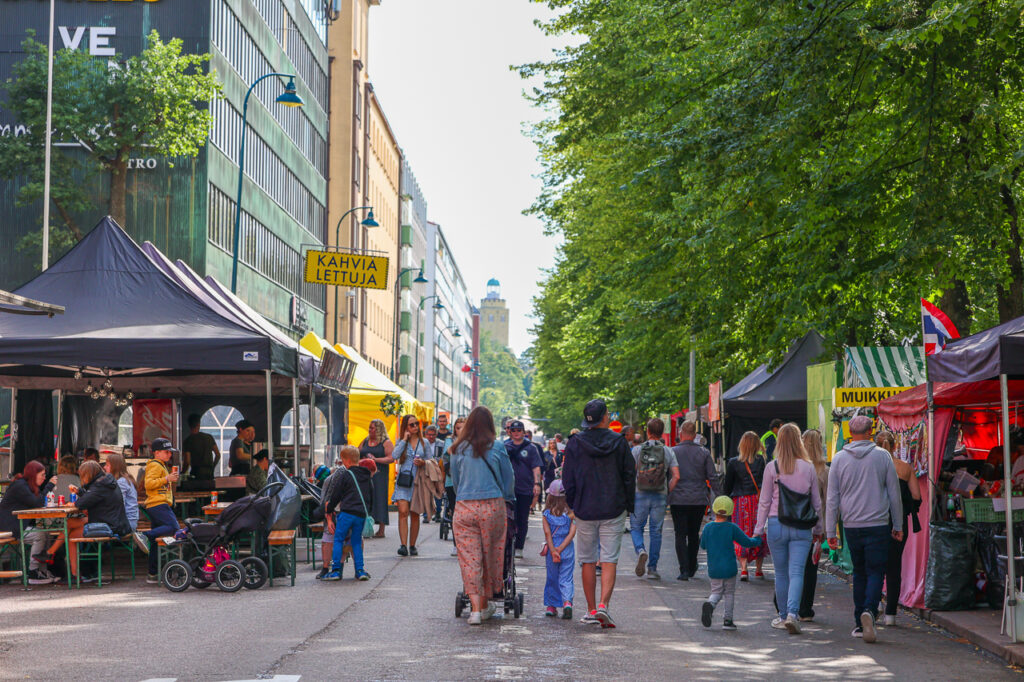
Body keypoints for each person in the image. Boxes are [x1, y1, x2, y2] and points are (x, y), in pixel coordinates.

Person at [826, 416, 903, 642]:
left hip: (852, 525)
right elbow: (894, 493)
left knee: (859, 572)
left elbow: (832, 498)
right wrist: (898, 525)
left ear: (850, 433)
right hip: (878, 523)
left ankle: (860, 623)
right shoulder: (882, 456)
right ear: (871, 432)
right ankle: (869, 609)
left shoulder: (839, 459)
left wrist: (831, 531)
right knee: (876, 571)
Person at [562, 399, 636, 629]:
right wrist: (629, 504)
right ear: (605, 417)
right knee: (608, 559)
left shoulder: (575, 443)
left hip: (585, 508)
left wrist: (573, 504)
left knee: (586, 560)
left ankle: (591, 609)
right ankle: (604, 605)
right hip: (613, 507)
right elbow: (629, 475)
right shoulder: (619, 442)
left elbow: (567, 477)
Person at [754, 423, 822, 635]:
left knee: (781, 573)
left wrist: (758, 529)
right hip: (802, 527)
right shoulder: (809, 467)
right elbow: (817, 503)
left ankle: (783, 616)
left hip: (776, 524)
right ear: (798, 441)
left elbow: (764, 502)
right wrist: (819, 529)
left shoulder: (772, 467)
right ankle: (793, 614)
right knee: (797, 572)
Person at [450, 406, 515, 625]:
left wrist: (463, 495)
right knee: (490, 555)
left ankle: (476, 610)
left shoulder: (457, 448)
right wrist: (508, 497)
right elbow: (508, 478)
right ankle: (486, 603)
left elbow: (456, 480)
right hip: (492, 505)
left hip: (465, 506)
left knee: (470, 558)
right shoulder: (497, 446)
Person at [875, 429, 920, 627]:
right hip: (898, 522)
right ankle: (891, 614)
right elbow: (917, 497)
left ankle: (875, 602)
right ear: (895, 446)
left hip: (876, 520)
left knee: (875, 564)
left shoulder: (872, 467)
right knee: (894, 568)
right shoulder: (905, 468)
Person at [700, 496, 763, 630]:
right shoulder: (732, 528)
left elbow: (703, 545)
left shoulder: (708, 528)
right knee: (729, 593)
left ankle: (711, 604)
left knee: (716, 591)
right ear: (730, 511)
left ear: (714, 509)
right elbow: (746, 542)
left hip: (714, 568)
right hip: (729, 567)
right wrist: (758, 540)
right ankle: (728, 621)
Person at [64, 460, 133, 581]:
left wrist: (75, 501)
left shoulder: (99, 486)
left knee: (71, 535)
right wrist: (79, 491)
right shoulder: (106, 481)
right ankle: (60, 560)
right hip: (115, 523)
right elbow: (93, 496)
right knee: (70, 525)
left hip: (108, 527)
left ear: (88, 474)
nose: (82, 478)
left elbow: (81, 503)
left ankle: (74, 574)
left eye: (82, 475)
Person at [630, 418, 680, 581]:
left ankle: (640, 550)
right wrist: (667, 490)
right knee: (656, 531)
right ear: (662, 432)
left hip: (640, 493)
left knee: (636, 527)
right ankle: (652, 568)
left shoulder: (637, 450)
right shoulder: (668, 451)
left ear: (648, 431)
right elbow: (676, 476)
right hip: (660, 494)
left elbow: (631, 473)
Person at [669, 420, 719, 580]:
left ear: (681, 433)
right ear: (695, 435)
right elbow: (712, 477)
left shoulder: (672, 452)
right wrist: (720, 495)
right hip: (698, 499)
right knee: (693, 534)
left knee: (679, 534)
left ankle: (684, 570)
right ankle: (691, 567)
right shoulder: (704, 452)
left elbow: (667, 475)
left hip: (678, 499)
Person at [0, 461, 58, 584]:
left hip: (17, 525)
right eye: (42, 475)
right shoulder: (20, 486)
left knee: (46, 533)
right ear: (33, 474)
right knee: (40, 535)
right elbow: (37, 503)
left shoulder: (27, 486)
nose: (44, 478)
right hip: (9, 527)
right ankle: (33, 572)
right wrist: (49, 486)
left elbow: (37, 501)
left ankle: (42, 571)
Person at [322, 445, 374, 581]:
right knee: (356, 541)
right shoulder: (366, 475)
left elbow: (336, 495)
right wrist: (368, 512)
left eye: (343, 460)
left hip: (347, 513)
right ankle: (360, 570)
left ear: (347, 460)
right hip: (361, 514)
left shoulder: (345, 475)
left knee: (338, 539)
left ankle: (336, 571)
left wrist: (329, 509)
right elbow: (371, 494)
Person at [723, 431, 769, 580]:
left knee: (741, 533)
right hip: (757, 502)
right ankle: (759, 569)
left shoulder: (733, 462)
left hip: (740, 503)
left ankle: (743, 569)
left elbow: (727, 487)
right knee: (758, 532)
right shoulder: (761, 461)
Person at [797, 428, 830, 621]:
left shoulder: (795, 467)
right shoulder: (824, 471)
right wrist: (826, 528)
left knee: (794, 566)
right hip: (815, 525)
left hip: (795, 523)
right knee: (810, 569)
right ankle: (805, 609)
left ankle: (788, 605)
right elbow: (828, 502)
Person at [388, 414, 430, 557]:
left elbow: (431, 461)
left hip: (418, 481)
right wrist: (404, 439)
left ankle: (412, 545)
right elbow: (394, 456)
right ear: (406, 427)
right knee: (403, 511)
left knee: (415, 514)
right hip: (403, 481)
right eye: (411, 425)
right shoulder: (402, 441)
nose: (415, 427)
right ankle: (403, 545)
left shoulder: (424, 442)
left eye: (416, 424)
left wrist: (423, 462)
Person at [142, 438, 181, 583]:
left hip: (157, 504)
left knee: (155, 541)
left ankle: (153, 573)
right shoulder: (155, 465)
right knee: (174, 527)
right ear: (156, 453)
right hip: (158, 504)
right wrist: (166, 479)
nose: (169, 454)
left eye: (170, 452)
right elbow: (148, 484)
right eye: (166, 452)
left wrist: (168, 479)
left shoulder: (161, 465)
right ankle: (144, 535)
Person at [504, 419, 543, 559]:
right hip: (508, 489)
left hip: (525, 488)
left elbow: (536, 467)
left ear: (523, 432)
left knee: (522, 518)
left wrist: (537, 484)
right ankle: (507, 544)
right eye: (513, 430)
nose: (516, 433)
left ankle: (519, 546)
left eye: (519, 430)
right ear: (509, 432)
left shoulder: (531, 448)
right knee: (508, 518)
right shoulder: (505, 447)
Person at [542, 479, 577, 619]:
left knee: (552, 577)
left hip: (552, 550)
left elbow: (547, 533)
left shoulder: (546, 515)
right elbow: (572, 533)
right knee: (566, 577)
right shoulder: (572, 514)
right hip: (567, 549)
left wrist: (554, 551)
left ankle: (551, 606)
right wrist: (561, 549)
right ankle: (567, 602)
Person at [360, 418, 394, 538]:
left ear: (379, 429)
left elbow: (391, 458)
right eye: (369, 427)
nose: (369, 430)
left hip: (380, 475)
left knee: (380, 498)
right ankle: (365, 527)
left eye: (372, 428)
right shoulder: (365, 440)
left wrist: (375, 460)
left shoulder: (386, 442)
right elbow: (357, 452)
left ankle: (381, 529)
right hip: (365, 475)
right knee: (366, 499)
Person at [104, 453, 146, 550]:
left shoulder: (121, 482)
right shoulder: (126, 480)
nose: (105, 467)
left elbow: (118, 505)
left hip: (126, 524)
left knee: (91, 525)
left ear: (115, 467)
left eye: (107, 465)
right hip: (130, 522)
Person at [182, 413, 220, 482]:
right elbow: (218, 455)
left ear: (189, 425)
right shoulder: (209, 437)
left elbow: (187, 461)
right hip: (209, 473)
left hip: (196, 473)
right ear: (199, 424)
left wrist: (182, 473)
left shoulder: (188, 441)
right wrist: (212, 467)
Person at [422, 424, 440, 523]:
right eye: (429, 434)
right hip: (425, 471)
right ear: (426, 434)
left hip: (437, 470)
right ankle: (426, 515)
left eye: (433, 435)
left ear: (436, 435)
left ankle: (437, 513)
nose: (431, 437)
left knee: (437, 492)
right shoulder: (422, 443)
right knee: (426, 493)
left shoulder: (441, 444)